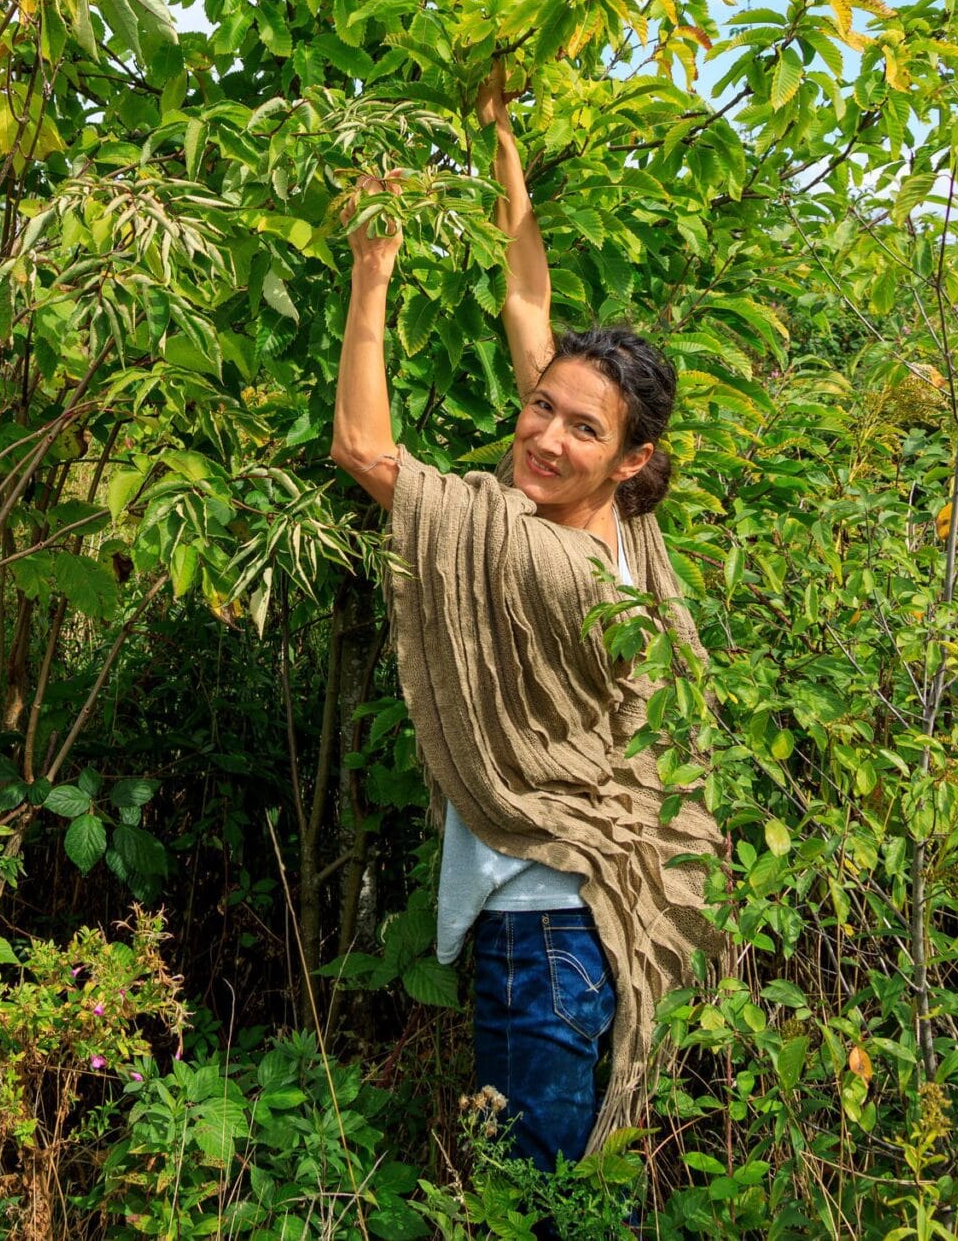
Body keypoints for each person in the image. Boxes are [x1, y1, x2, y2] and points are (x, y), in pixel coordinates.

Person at [330, 63, 720, 1177]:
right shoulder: (627, 533)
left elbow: (363, 451)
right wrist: (501, 138)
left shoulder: (531, 547)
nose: (543, 434)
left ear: (633, 456)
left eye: (579, 429)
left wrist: (372, 273)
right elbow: (529, 308)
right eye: (538, 405)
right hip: (606, 903)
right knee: (577, 1175)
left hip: (543, 919)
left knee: (522, 1191)